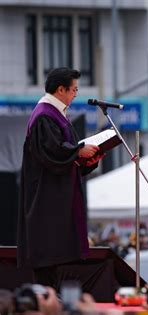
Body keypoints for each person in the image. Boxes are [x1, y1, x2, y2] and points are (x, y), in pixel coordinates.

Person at [17, 67, 103, 288]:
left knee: (53, 266)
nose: (76, 94)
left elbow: (65, 153)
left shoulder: (57, 114)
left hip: (55, 196)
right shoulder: (44, 115)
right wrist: (77, 152)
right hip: (45, 199)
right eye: (73, 89)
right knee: (47, 263)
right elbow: (52, 152)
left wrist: (86, 161)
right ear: (61, 89)